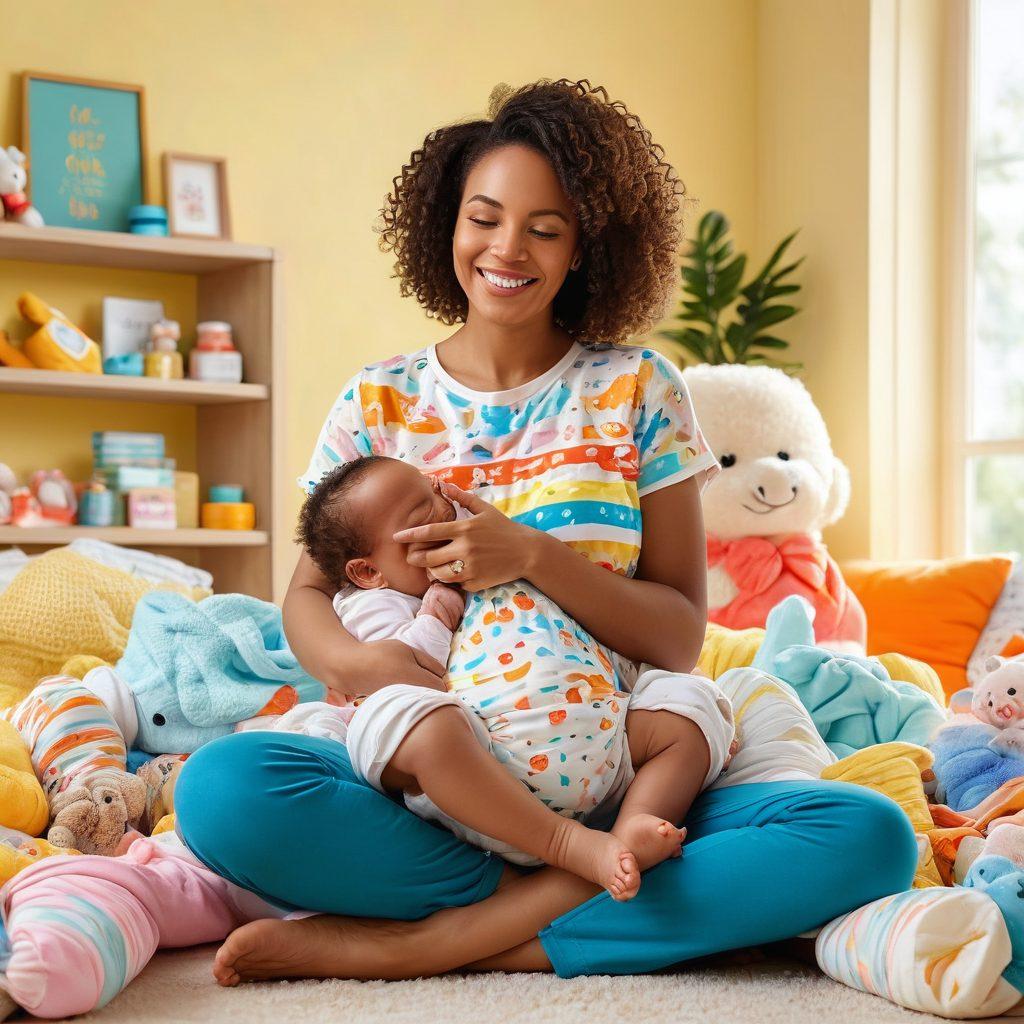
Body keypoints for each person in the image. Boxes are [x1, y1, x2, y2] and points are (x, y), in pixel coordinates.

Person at [172, 78, 917, 986]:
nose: (507, 249)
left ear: (584, 249)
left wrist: (533, 556)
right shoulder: (379, 400)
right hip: (432, 795)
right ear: (447, 222)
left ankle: (442, 941)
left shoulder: (640, 389)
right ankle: (584, 893)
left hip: (617, 775)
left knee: (869, 837)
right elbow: (310, 597)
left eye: (546, 228)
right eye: (484, 218)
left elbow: (681, 634)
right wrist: (369, 668)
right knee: (220, 793)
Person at [292, 454, 735, 898]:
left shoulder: (494, 551)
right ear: (369, 571)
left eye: (436, 491)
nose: (447, 507)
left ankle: (635, 822)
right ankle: (565, 843)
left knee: (692, 703)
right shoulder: (374, 604)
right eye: (426, 513)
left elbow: (577, 638)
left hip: (605, 737)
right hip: (487, 770)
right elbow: (409, 668)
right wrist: (438, 606)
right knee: (408, 723)